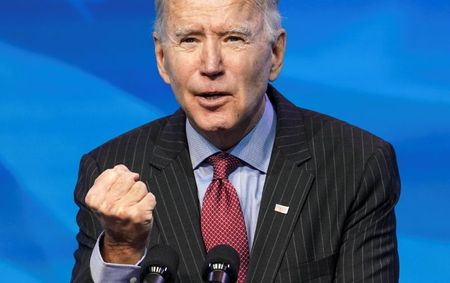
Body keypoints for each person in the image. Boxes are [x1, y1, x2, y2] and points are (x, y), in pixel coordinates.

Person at [71, 0, 401, 282]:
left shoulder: (356, 165)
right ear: (161, 58)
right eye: (189, 40)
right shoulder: (112, 173)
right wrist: (123, 250)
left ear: (275, 53)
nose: (211, 65)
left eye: (233, 38)